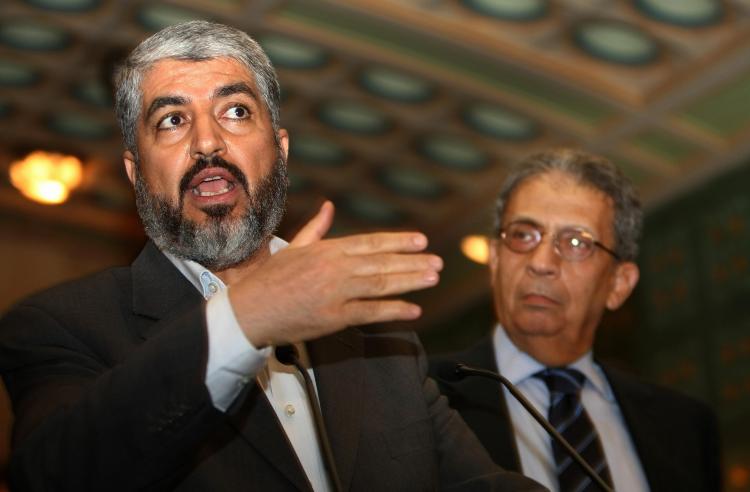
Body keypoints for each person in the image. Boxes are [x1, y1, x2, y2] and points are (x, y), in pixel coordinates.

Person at [0, 21, 544, 492]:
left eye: (236, 111)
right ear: (135, 172)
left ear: (279, 150)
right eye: (172, 120)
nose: (207, 142)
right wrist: (245, 320)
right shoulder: (62, 326)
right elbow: (55, 475)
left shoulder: (377, 337)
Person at [429, 149, 721, 492]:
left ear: (618, 284)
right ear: (494, 260)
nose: (540, 262)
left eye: (576, 242)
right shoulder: (428, 394)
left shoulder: (684, 426)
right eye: (524, 235)